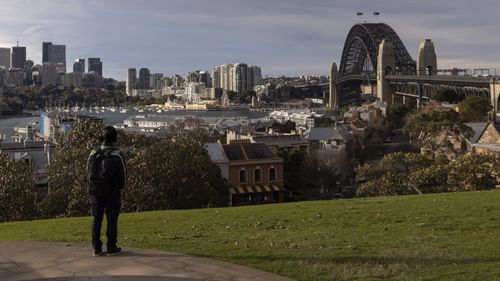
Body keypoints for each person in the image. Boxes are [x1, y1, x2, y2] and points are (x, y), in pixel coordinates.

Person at [86, 126, 127, 257]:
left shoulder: (93, 153)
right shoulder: (117, 154)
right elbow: (123, 176)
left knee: (96, 220)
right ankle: (111, 247)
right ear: (114, 138)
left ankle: (96, 248)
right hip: (112, 192)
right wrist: (119, 187)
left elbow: (87, 173)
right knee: (112, 220)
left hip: (95, 192)